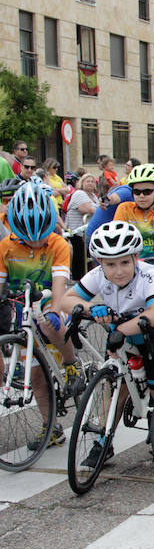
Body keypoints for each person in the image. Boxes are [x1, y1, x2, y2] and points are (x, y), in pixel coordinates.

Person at [60, 221, 154, 473]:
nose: (118, 271)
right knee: (115, 388)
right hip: (119, 337)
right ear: (99, 263)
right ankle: (103, 442)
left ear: (136, 257)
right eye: (110, 264)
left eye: (124, 262)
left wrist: (119, 328)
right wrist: (92, 308)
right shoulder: (98, 275)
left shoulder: (149, 274)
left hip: (152, 335)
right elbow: (66, 300)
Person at [0, 180, 77, 449]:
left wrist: (56, 309)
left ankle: (71, 363)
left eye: (40, 237)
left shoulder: (57, 244)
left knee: (49, 323)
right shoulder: (6, 247)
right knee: (36, 378)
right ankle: (51, 427)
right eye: (28, 239)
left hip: (48, 301)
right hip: (22, 310)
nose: (35, 242)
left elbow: (59, 283)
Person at [64, 174, 101, 280]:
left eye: (92, 181)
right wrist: (99, 210)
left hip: (89, 230)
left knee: (88, 255)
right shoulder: (79, 193)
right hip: (77, 230)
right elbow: (86, 209)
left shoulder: (94, 196)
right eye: (88, 181)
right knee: (79, 255)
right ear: (82, 183)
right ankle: (77, 279)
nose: (90, 183)